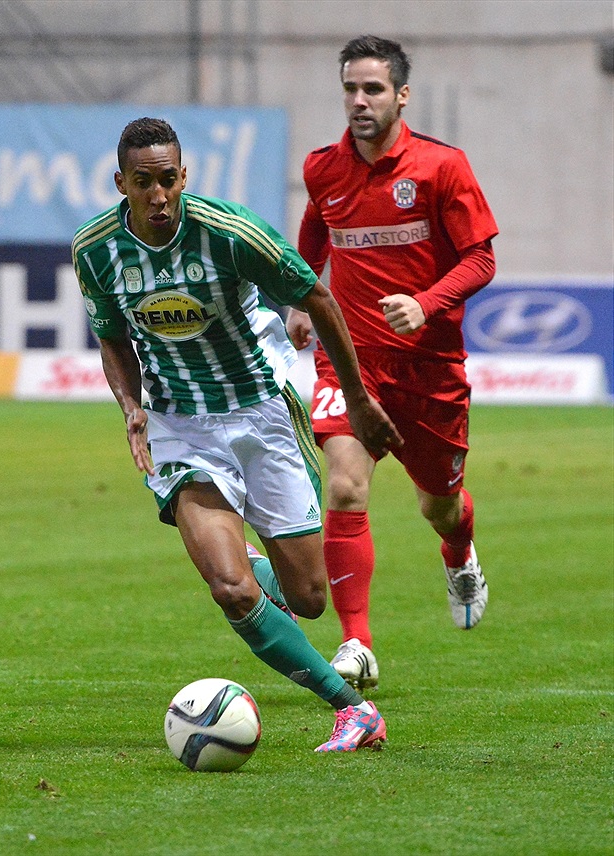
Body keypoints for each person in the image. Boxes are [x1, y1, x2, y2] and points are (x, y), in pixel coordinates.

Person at [71, 117, 404, 752]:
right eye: (144, 183)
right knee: (229, 589)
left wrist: (357, 402)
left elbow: (320, 300)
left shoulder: (231, 233)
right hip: (178, 426)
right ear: (122, 183)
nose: (159, 195)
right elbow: (112, 335)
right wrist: (131, 408)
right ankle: (352, 710)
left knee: (308, 599)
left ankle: (252, 559)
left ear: (183, 176)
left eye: (168, 180)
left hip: (261, 415)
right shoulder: (95, 249)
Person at [286, 36, 498, 690]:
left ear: (401, 95)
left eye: (373, 89)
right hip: (351, 363)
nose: (359, 101)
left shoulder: (442, 168)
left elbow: (482, 259)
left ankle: (458, 553)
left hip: (429, 370)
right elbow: (316, 230)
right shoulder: (324, 169)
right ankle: (357, 643)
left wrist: (427, 303)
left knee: (439, 505)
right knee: (345, 485)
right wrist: (301, 294)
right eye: (350, 88)